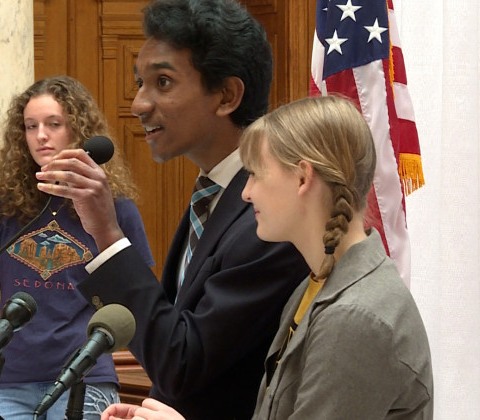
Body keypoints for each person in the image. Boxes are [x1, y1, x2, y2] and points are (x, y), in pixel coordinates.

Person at [34, 0, 308, 419]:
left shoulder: (269, 214)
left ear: (227, 95)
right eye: (139, 82)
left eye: (163, 82)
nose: (139, 104)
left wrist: (107, 233)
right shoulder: (213, 192)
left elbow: (183, 362)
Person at [99, 96, 434, 420]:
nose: (246, 192)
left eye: (256, 174)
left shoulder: (355, 316)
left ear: (303, 178)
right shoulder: (317, 285)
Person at [0, 75, 155, 420]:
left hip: (85, 378)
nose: (41, 135)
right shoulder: (0, 205)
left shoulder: (114, 207)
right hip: (8, 381)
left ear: (78, 130)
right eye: (31, 126)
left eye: (53, 124)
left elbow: (138, 302)